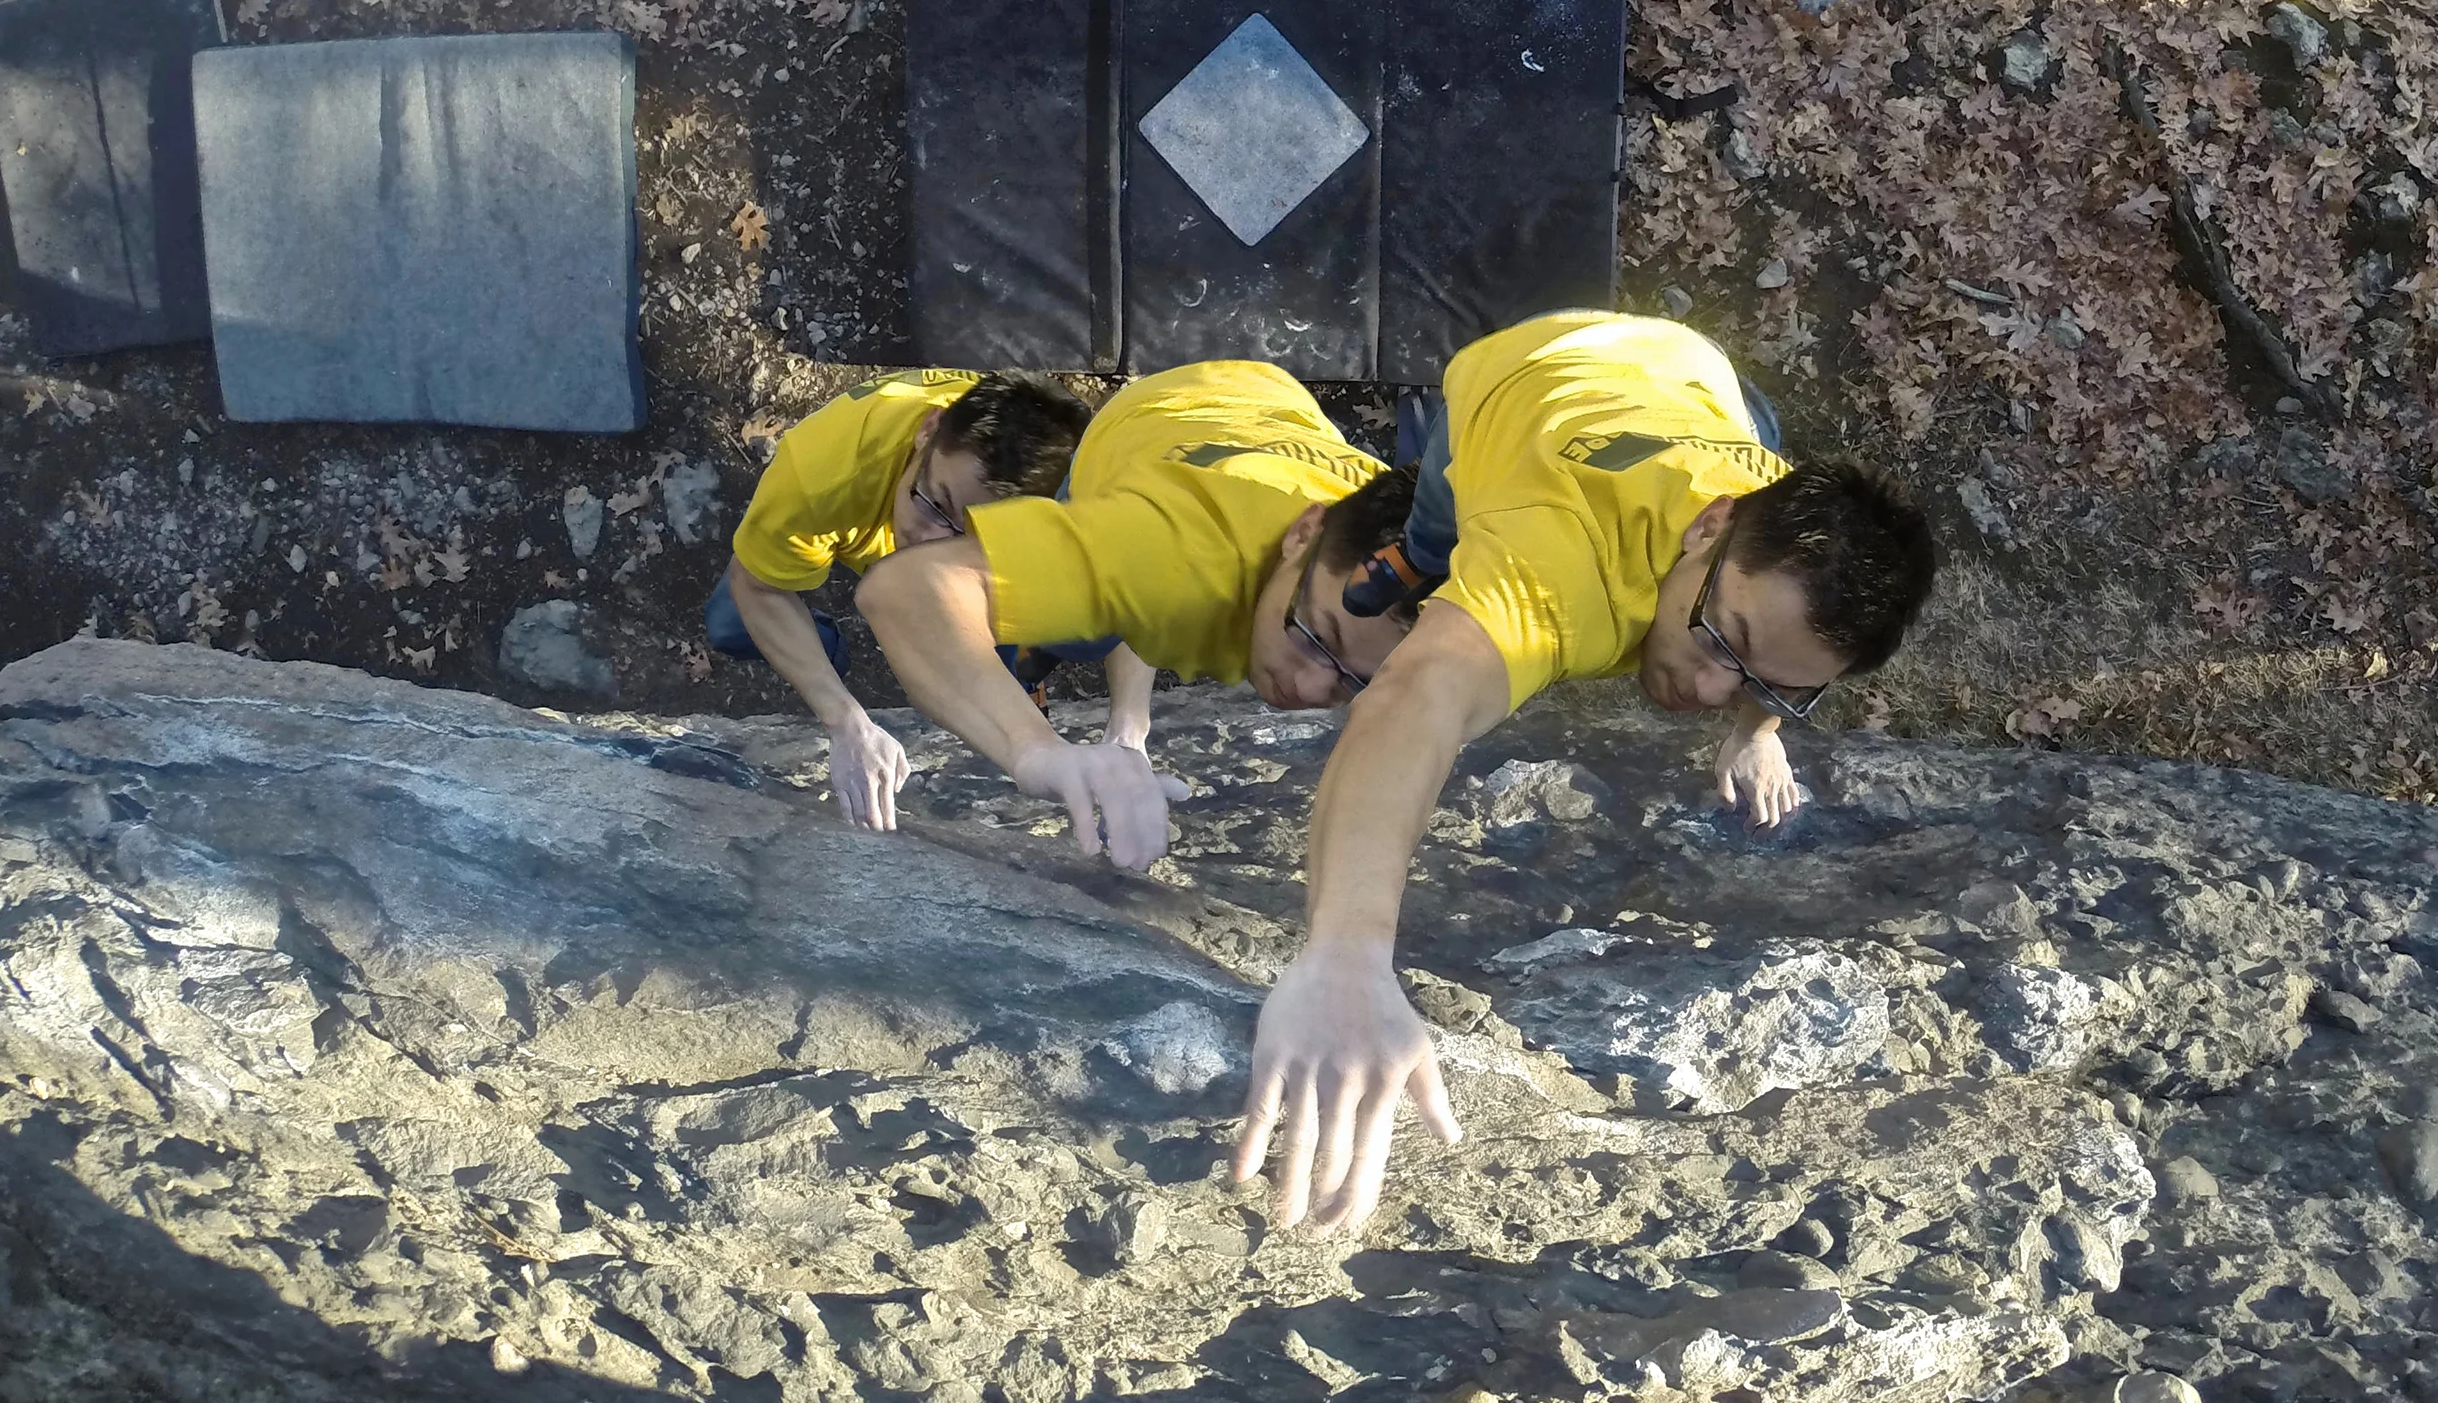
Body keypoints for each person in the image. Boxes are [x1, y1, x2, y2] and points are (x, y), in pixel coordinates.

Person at [1226, 310, 1939, 1231]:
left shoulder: (1757, 541)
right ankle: (1410, 559)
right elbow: (1410, 702)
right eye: (1723, 639)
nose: (1710, 689)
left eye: (1763, 681)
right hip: (1511, 377)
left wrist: (1759, 727)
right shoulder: (1551, 565)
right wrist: (1348, 952)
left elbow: (1781, 647)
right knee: (1441, 535)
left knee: (1772, 570)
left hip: (1698, 377)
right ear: (1709, 526)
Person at [855, 361, 1421, 869]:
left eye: (1358, 680)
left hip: (1270, 403)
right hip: (1153, 414)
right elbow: (907, 591)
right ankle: (1037, 629)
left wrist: (1129, 732)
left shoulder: (1444, 618)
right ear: (1303, 535)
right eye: (1316, 636)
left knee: (1138, 594)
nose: (1311, 689)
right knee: (1083, 630)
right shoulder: (1177, 554)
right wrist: (1035, 749)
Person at [707, 369, 1094, 830]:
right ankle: (825, 654)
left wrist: (1129, 730)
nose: (929, 547)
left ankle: (1018, 668)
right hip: (841, 503)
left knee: (1038, 635)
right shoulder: (820, 475)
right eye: (936, 503)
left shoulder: (1076, 496)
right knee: (732, 623)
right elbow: (754, 586)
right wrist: (845, 720)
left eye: (975, 536)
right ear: (928, 431)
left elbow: (1138, 592)